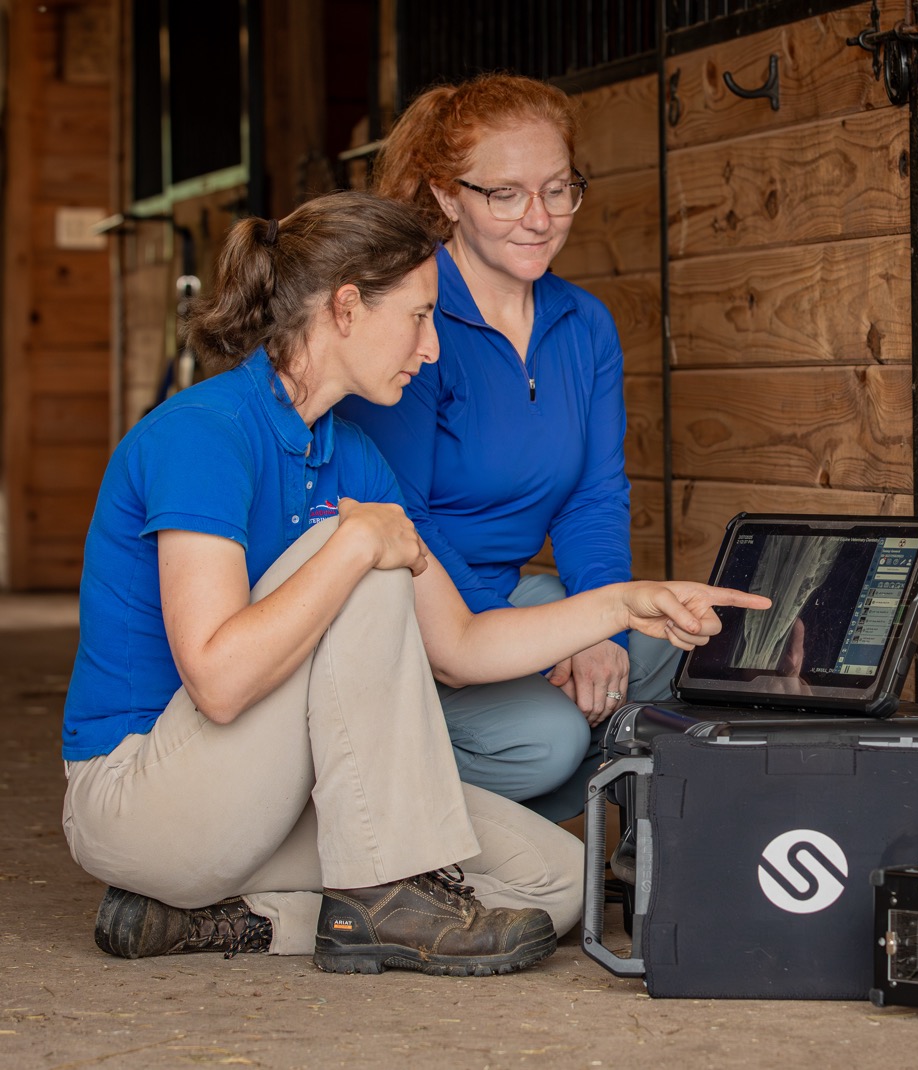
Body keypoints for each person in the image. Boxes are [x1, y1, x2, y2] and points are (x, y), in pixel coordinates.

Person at [60, 191, 768, 976]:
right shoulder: (205, 434)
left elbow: (460, 647)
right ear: (347, 307)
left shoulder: (352, 454)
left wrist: (623, 603)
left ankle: (223, 922)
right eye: (420, 317)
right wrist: (354, 545)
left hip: (268, 800)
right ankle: (384, 890)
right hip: (144, 798)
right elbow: (220, 682)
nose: (431, 349)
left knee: (556, 885)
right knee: (361, 560)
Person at [337, 73, 676, 821]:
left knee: (667, 651)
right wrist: (533, 640)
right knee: (546, 738)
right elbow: (404, 519)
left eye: (558, 190)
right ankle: (390, 824)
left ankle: (531, 844)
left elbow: (594, 497)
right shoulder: (417, 321)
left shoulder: (584, 325)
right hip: (406, 606)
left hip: (510, 593)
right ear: (448, 196)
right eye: (506, 193)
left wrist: (597, 623)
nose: (539, 218)